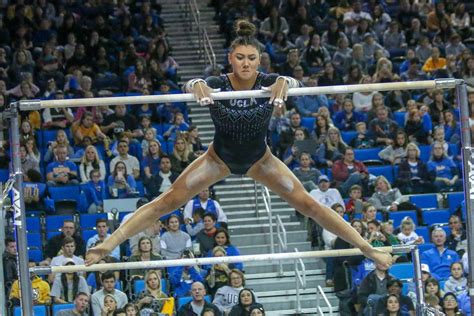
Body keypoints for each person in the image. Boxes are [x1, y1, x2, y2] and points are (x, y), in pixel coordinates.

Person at [85, 19, 392, 269]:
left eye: (252, 58)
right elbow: (188, 84)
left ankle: (367, 249)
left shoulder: (270, 81)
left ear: (260, 60)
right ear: (230, 59)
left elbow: (294, 84)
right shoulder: (217, 84)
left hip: (262, 160)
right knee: (168, 201)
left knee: (309, 204)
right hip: (217, 159)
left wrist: (288, 81)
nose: (246, 63)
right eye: (240, 58)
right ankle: (108, 244)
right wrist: (196, 85)